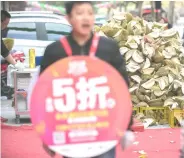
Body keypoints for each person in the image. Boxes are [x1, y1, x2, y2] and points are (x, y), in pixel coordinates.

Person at [39, 2, 133, 158]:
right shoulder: (55, 51)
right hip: (70, 129)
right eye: (80, 13)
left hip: (103, 127)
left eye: (90, 13)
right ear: (68, 18)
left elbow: (122, 87)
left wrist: (126, 125)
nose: (86, 18)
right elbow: (44, 94)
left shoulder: (108, 48)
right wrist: (47, 134)